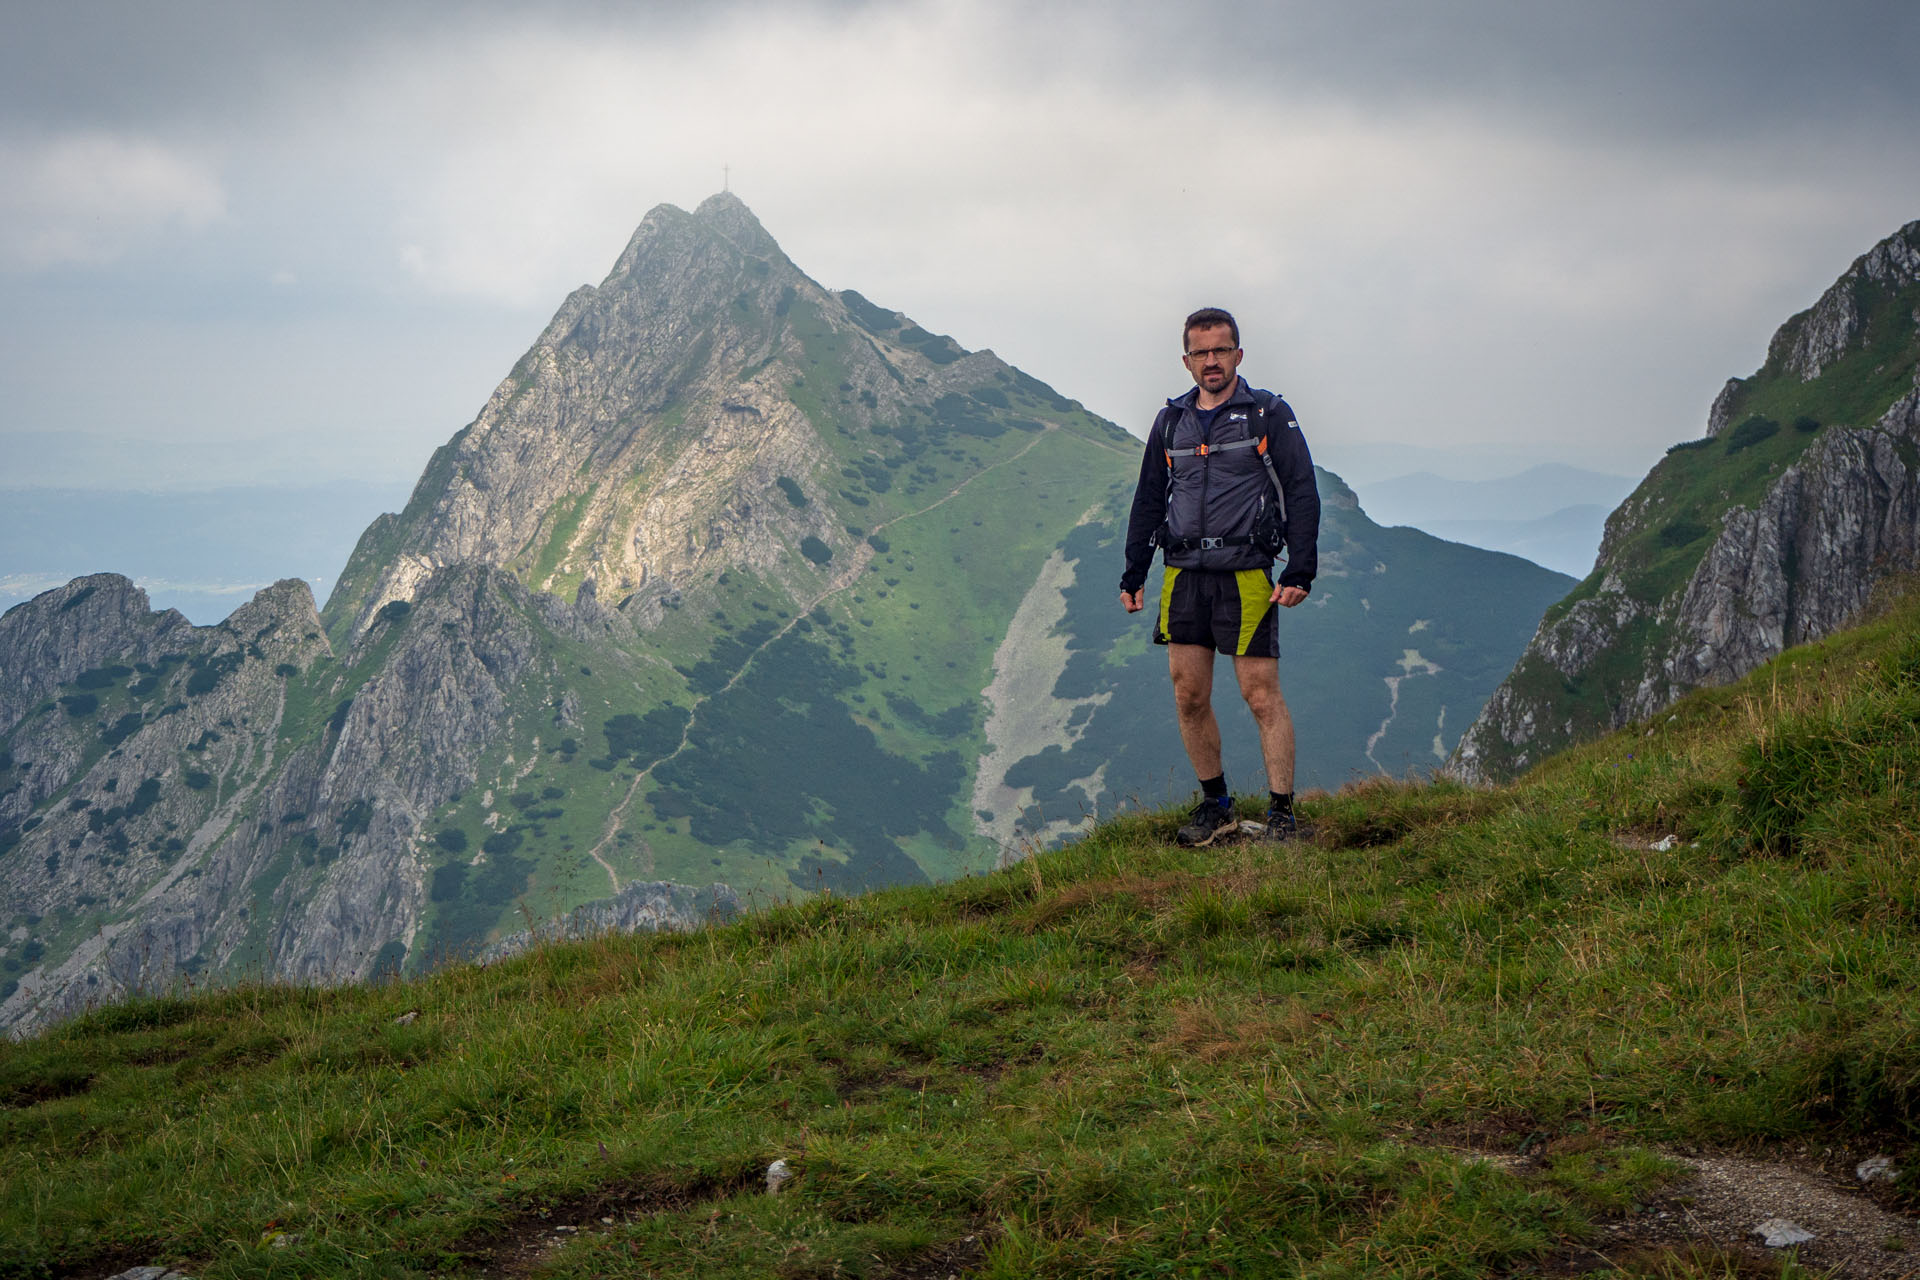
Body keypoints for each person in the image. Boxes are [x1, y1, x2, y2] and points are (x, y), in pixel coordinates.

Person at [1119, 307, 1320, 845]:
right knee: (1188, 694)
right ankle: (1217, 806)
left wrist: (1302, 567)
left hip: (1246, 573)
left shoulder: (1268, 414)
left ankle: (1282, 815)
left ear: (1238, 354)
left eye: (1221, 349)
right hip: (1182, 575)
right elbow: (1147, 499)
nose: (1212, 360)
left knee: (1260, 694)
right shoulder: (1170, 422)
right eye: (1202, 352)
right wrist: (1134, 569)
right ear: (1186, 360)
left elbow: (1301, 490)